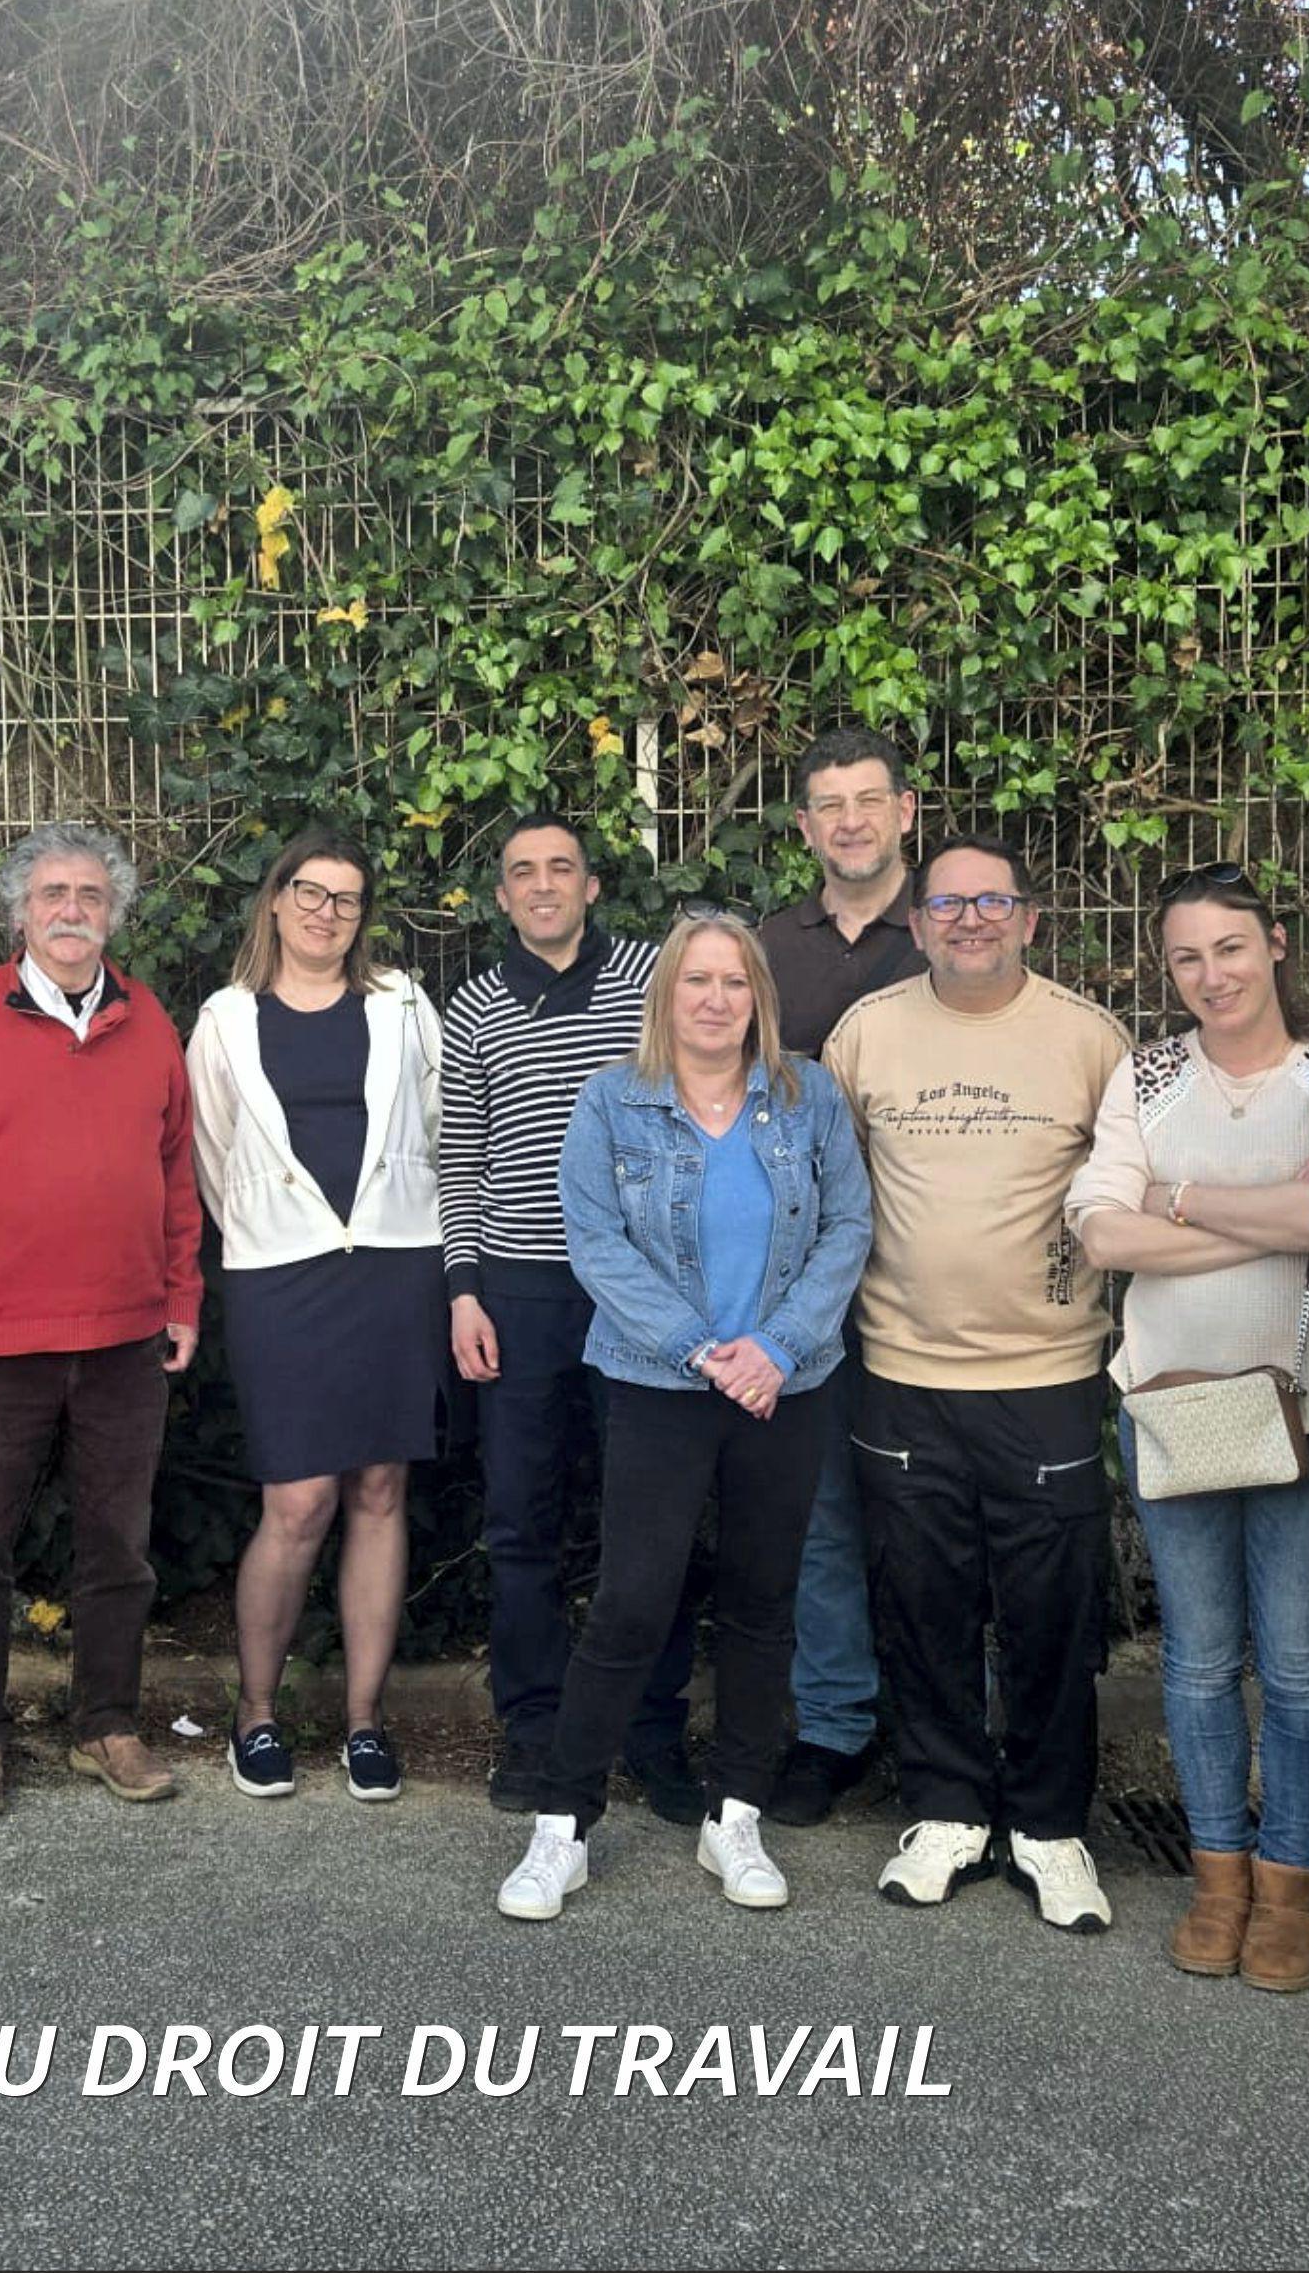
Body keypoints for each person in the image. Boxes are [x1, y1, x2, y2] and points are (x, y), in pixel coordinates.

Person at [494, 909, 873, 1921]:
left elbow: (847, 1225)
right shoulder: (612, 1100)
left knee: (759, 1603)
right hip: (657, 1382)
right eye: (696, 980)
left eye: (733, 981)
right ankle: (562, 1825)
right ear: (665, 993)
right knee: (630, 1601)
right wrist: (702, 1349)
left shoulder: (807, 1095)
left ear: (759, 997)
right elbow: (595, 1243)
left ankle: (734, 1813)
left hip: (784, 1385)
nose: (714, 999)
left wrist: (776, 1346)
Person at [1067, 863, 1309, 1993]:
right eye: (1186, 957)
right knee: (1199, 1660)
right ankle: (1217, 1877)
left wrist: (1176, 1198)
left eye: (1230, 947)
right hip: (1176, 1401)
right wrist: (1276, 1217)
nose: (1211, 974)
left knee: (1296, 1663)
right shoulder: (1147, 1074)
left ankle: (1289, 1882)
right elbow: (1101, 1233)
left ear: (1276, 944)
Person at [824, 832, 1133, 1935]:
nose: (968, 920)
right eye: (947, 903)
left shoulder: (1089, 1038)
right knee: (921, 1603)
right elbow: (829, 1180)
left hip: (1048, 1372)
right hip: (900, 1368)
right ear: (916, 924)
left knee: (1052, 1612)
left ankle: (1049, 1825)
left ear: (1028, 918)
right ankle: (945, 1808)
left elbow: (1130, 1184)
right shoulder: (865, 1031)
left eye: (990, 902)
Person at [0, 822, 203, 1820]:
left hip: (124, 1338)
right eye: (53, 892)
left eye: (90, 894)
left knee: (118, 1547)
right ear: (20, 910)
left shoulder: (147, 1021)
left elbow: (175, 1175)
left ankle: (107, 1722)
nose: (71, 909)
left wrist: (181, 1297)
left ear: (115, 914)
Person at [439, 815, 702, 1824]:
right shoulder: (473, 1006)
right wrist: (463, 1288)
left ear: (591, 886)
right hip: (519, 1290)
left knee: (653, 1517)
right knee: (521, 1519)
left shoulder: (651, 977)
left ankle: (653, 1728)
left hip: (641, 1286)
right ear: (502, 896)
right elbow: (461, 1156)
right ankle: (536, 1729)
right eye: (522, 872)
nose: (542, 884)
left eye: (560, 868)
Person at [189, 830, 448, 1803]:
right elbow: (213, 1157)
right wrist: (281, 1230)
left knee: (379, 1487)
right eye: (308, 891)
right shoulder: (223, 1019)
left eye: (345, 898)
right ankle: (254, 1712)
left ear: (362, 915)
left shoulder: (403, 1004)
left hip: (395, 1267)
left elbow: (437, 1127)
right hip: (280, 1278)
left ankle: (365, 1723)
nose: (324, 912)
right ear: (274, 899)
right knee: (297, 1500)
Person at [751, 724, 925, 1826]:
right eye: (829, 804)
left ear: (905, 810)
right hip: (799, 1281)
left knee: (931, 1513)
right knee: (816, 1515)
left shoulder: (954, 928)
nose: (850, 820)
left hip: (931, 1275)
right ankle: (832, 1726)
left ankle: (946, 1725)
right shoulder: (769, 950)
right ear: (805, 826)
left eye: (869, 799)